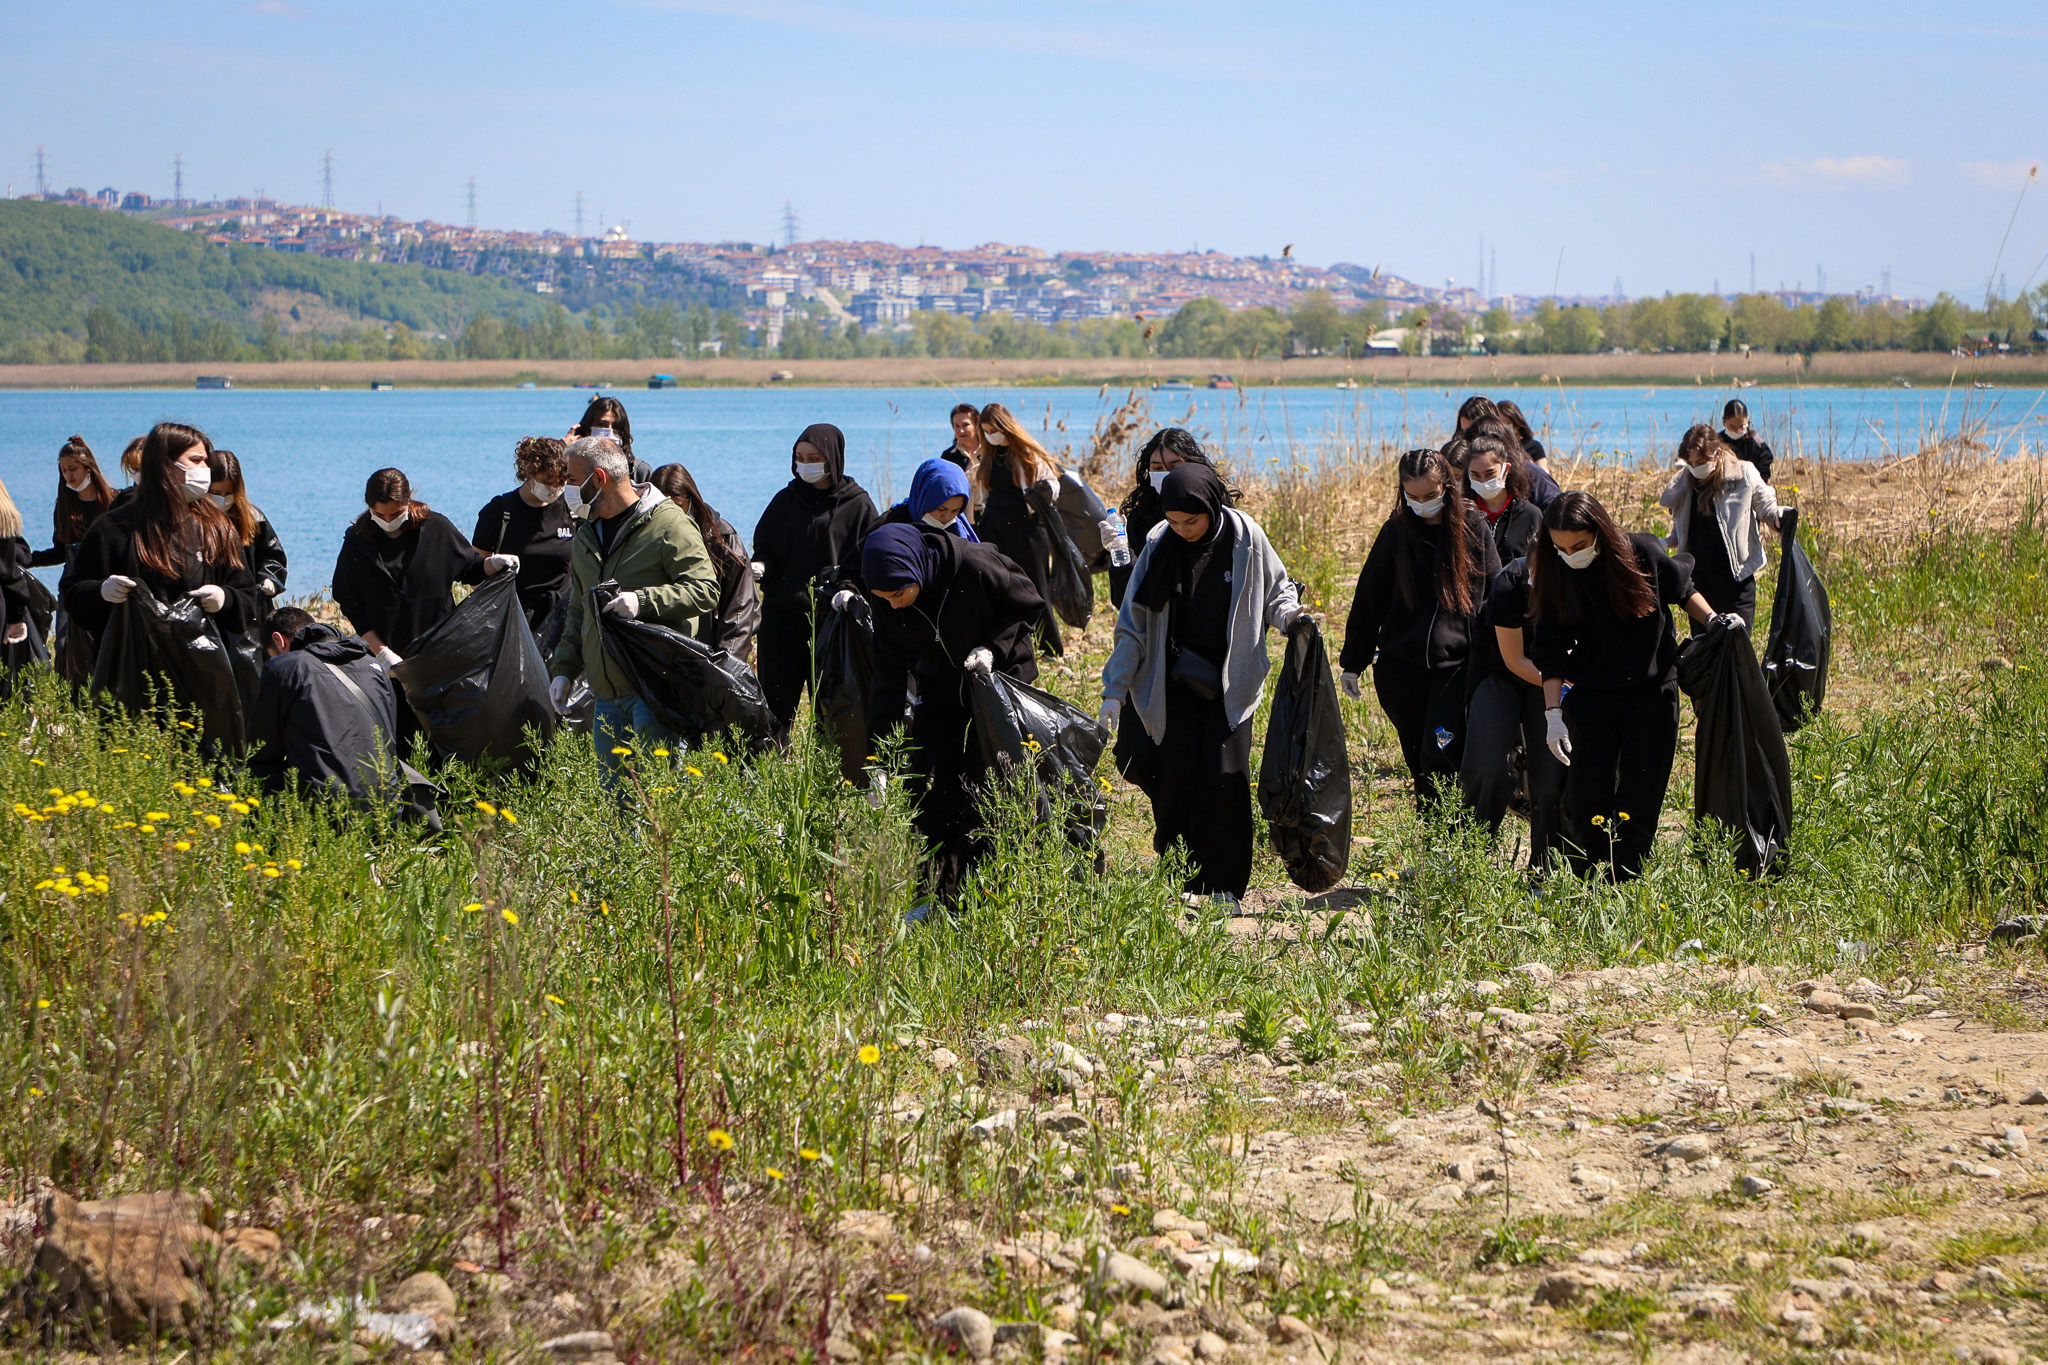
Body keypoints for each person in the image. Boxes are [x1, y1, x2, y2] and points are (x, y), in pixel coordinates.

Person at [1099, 465, 1308, 907]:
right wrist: (1114, 692)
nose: (1183, 530)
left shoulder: (1246, 538)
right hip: (1172, 683)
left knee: (1225, 785)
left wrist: (1290, 618)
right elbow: (1132, 628)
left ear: (1212, 507)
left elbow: (1276, 591)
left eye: (1191, 521)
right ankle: (1183, 882)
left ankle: (1226, 887)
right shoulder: (1159, 543)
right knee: (1174, 783)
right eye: (1174, 521)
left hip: (1229, 684)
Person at [1527, 492, 1728, 882]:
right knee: (1588, 801)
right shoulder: (1556, 571)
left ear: (1600, 532)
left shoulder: (1640, 552)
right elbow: (1548, 651)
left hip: (1651, 695)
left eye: (1580, 545)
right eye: (1562, 547)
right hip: (1591, 699)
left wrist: (1715, 621)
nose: (1572, 554)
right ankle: (1590, 884)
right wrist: (1553, 715)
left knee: (1640, 797)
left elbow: (1682, 589)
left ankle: (1626, 884)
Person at [858, 522, 1047, 906]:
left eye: (897, 594)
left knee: (986, 785)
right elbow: (888, 678)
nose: (893, 604)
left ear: (916, 570)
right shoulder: (887, 596)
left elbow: (1027, 602)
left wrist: (993, 647)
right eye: (883, 598)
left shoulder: (974, 565)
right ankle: (936, 895)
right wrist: (878, 760)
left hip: (998, 680)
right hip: (942, 686)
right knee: (929, 784)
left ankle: (981, 894)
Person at [548, 438, 721, 788]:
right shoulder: (586, 535)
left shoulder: (668, 524)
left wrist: (643, 601)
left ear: (598, 479)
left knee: (661, 800)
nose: (564, 488)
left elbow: (706, 590)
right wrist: (564, 670)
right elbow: (580, 608)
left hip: (655, 689)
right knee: (618, 807)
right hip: (607, 695)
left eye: (569, 478)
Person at [1337, 448, 1500, 808]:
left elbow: (1494, 593)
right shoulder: (1395, 532)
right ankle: (1435, 841)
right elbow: (1369, 597)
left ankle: (1450, 836)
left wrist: (1492, 657)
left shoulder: (1471, 528)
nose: (1422, 504)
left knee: (1439, 753)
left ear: (1447, 486)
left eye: (1430, 495)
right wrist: (1353, 661)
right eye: (1412, 496)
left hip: (1454, 667)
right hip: (1400, 666)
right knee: (1417, 760)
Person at [64, 422, 261, 710]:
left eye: (206, 460)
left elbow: (246, 599)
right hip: (128, 679)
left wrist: (224, 599)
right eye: (196, 461)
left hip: (201, 677)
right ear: (164, 466)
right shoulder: (113, 529)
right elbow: (72, 593)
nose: (205, 469)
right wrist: (101, 592)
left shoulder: (215, 527)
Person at [751, 423, 880, 737]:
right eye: (800, 457)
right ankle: (770, 771)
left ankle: (832, 777)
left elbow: (869, 559)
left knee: (833, 707)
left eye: (814, 457)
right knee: (775, 704)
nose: (805, 465)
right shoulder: (786, 499)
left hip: (834, 619)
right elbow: (766, 546)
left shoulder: (857, 504)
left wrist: (848, 589)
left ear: (833, 458)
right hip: (783, 616)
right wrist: (760, 565)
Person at [1458, 552, 1567, 872]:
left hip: (1551, 678)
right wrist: (1566, 686)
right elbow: (1514, 660)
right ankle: (1471, 857)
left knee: (1550, 775)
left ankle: (1545, 868)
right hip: (1502, 672)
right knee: (1487, 763)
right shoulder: (1510, 582)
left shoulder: (1580, 580)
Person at [248, 604, 404, 803]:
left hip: (321, 806)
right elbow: (389, 738)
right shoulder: (373, 666)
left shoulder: (283, 667)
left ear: (279, 641)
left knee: (258, 770)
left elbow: (262, 749)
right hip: (385, 803)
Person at [1660, 424, 1784, 631]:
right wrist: (1662, 544)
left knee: (1737, 647)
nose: (1694, 467)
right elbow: (1680, 534)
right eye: (1689, 463)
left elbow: (1767, 507)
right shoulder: (1684, 483)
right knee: (1705, 650)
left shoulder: (1744, 473)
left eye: (1700, 462)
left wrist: (1780, 518)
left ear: (1717, 453)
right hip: (1698, 584)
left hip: (1737, 579)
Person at [971, 401, 1067, 656]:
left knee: (1036, 585)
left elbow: (1051, 484)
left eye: (994, 429)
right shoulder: (988, 455)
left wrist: (1043, 491)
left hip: (1026, 526)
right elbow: (982, 493)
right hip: (993, 525)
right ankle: (1005, 640)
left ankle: (1050, 647)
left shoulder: (1026, 452)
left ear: (1005, 426)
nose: (991, 435)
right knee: (996, 583)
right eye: (987, 430)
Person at [649, 461, 760, 661]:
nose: (671, 515)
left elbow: (740, 608)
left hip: (708, 653)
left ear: (691, 499)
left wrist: (726, 664)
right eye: (662, 508)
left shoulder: (722, 538)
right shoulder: (644, 537)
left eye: (677, 505)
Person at [1110, 428, 1231, 609]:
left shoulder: (1218, 514)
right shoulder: (1140, 520)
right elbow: (1128, 597)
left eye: (1175, 466)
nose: (1166, 473)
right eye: (1157, 468)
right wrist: (1119, 552)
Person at [472, 436, 576, 642]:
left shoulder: (572, 509)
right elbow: (474, 571)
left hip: (563, 617)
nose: (554, 490)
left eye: (560, 483)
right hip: (514, 617)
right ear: (529, 472)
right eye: (547, 482)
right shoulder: (500, 511)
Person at [207, 449, 288, 605]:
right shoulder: (193, 520)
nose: (223, 500)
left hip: (251, 605)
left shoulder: (253, 518)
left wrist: (270, 578)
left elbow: (273, 555)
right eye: (216, 492)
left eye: (229, 493)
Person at [31, 436, 114, 573]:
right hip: (74, 584)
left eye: (73, 469)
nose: (68, 475)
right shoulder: (63, 506)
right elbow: (60, 553)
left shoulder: (115, 500)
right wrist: (27, 559)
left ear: (89, 468)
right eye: (64, 470)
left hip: (110, 581)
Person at [1461, 433, 1543, 562]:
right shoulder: (1462, 513)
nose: (1483, 481)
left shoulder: (1530, 515)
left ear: (1506, 469)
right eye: (1475, 475)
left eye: (1490, 473)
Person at [879, 457, 979, 541]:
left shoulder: (959, 530)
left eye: (955, 511)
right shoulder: (889, 526)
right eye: (941, 509)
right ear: (924, 499)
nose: (947, 517)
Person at [565, 396, 652, 483]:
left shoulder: (639, 471)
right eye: (602, 424)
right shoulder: (572, 469)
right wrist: (563, 448)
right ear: (588, 430)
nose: (610, 431)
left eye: (616, 426)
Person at [1720, 398, 1775, 483]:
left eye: (1741, 426)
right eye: (1732, 427)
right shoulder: (1716, 442)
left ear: (1747, 420)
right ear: (1724, 421)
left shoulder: (1758, 445)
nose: (1737, 431)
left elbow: (1763, 475)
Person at [1496, 399, 1548, 467]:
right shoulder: (1495, 449)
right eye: (1498, 423)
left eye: (1506, 423)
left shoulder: (1534, 447)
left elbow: (1543, 474)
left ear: (1516, 423)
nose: (1502, 427)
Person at [939, 402, 982, 471]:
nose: (961, 431)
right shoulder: (948, 456)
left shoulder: (990, 451)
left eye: (965, 425)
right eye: (957, 426)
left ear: (976, 424)